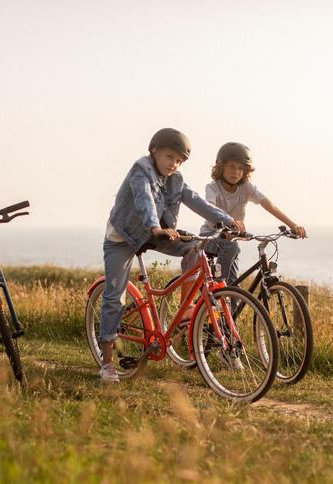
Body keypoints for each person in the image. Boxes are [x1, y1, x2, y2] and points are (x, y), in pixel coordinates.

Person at [98, 128, 244, 382]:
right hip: (123, 237)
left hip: (156, 233)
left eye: (178, 160)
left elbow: (198, 201)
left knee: (193, 249)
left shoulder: (176, 179)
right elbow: (144, 197)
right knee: (115, 297)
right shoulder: (141, 169)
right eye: (169, 157)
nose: (173, 164)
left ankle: (185, 308)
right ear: (153, 151)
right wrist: (155, 226)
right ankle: (107, 364)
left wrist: (228, 221)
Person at [200, 142, 307, 284]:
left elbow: (270, 206)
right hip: (210, 237)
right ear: (221, 167)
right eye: (231, 166)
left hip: (232, 241)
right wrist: (228, 223)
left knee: (235, 293)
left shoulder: (246, 187)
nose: (236, 172)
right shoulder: (212, 187)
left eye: (240, 168)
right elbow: (210, 209)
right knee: (226, 279)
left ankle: (224, 297)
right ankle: (218, 291)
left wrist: (293, 226)